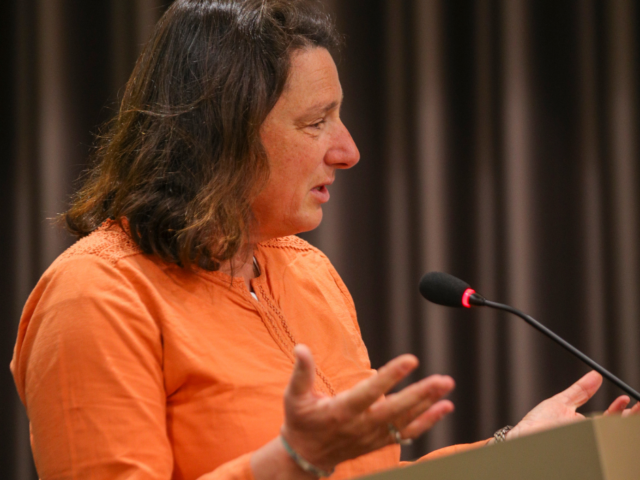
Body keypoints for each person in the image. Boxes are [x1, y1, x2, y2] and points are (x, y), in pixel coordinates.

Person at [11, 1, 639, 479]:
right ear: (219, 133)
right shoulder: (95, 295)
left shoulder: (309, 271)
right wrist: (291, 460)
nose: (349, 151)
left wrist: (513, 454)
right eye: (316, 122)